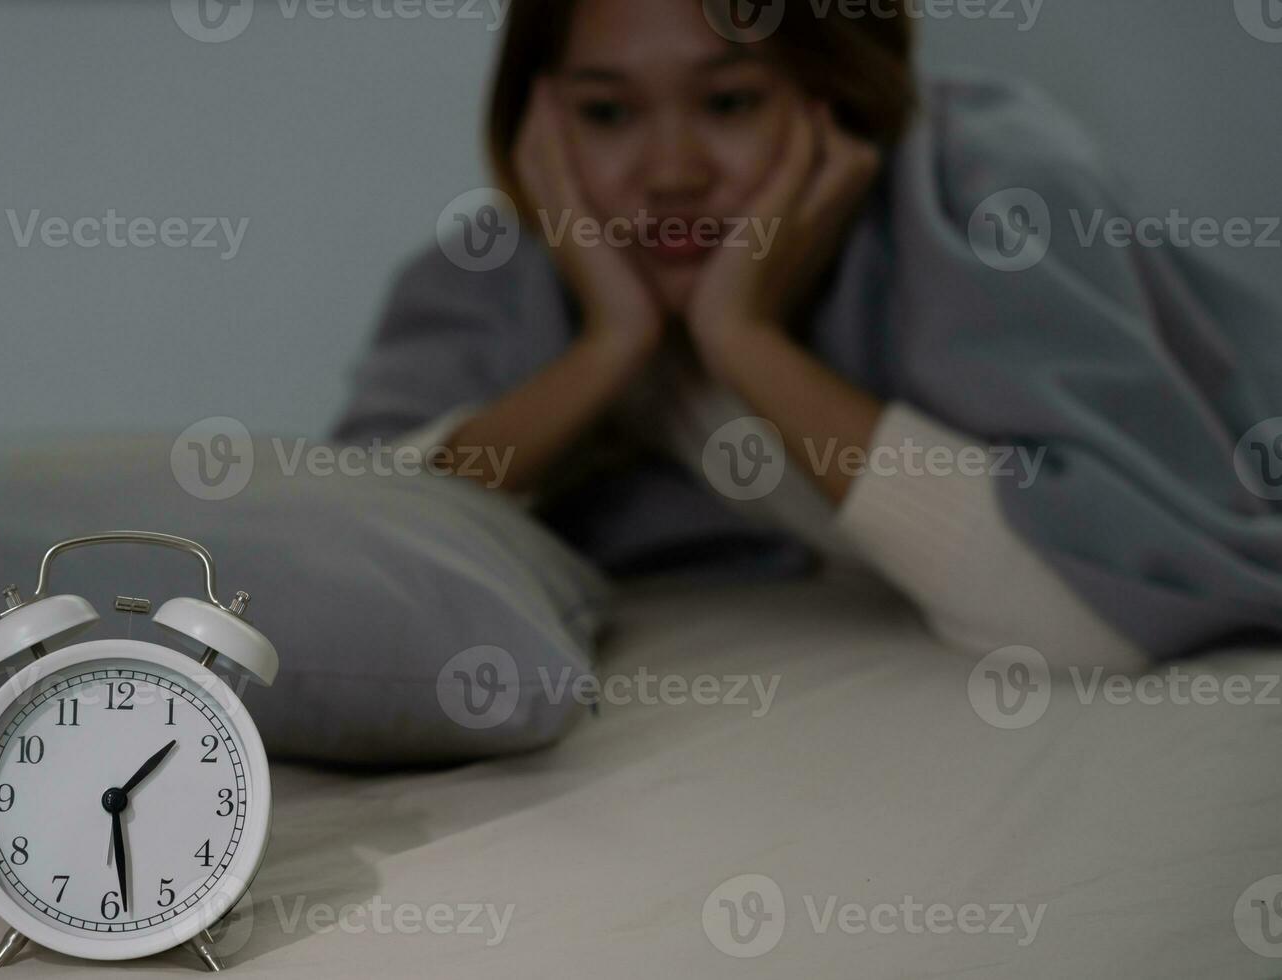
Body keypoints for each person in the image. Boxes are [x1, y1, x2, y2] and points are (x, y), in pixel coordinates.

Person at [334, 0, 1282, 666]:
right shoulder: (515, 269)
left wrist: (745, 342)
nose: (670, 172)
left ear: (840, 90)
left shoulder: (997, 192)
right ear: (538, 122)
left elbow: (1096, 618)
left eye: (731, 102)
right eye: (607, 112)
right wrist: (608, 349)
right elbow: (353, 545)